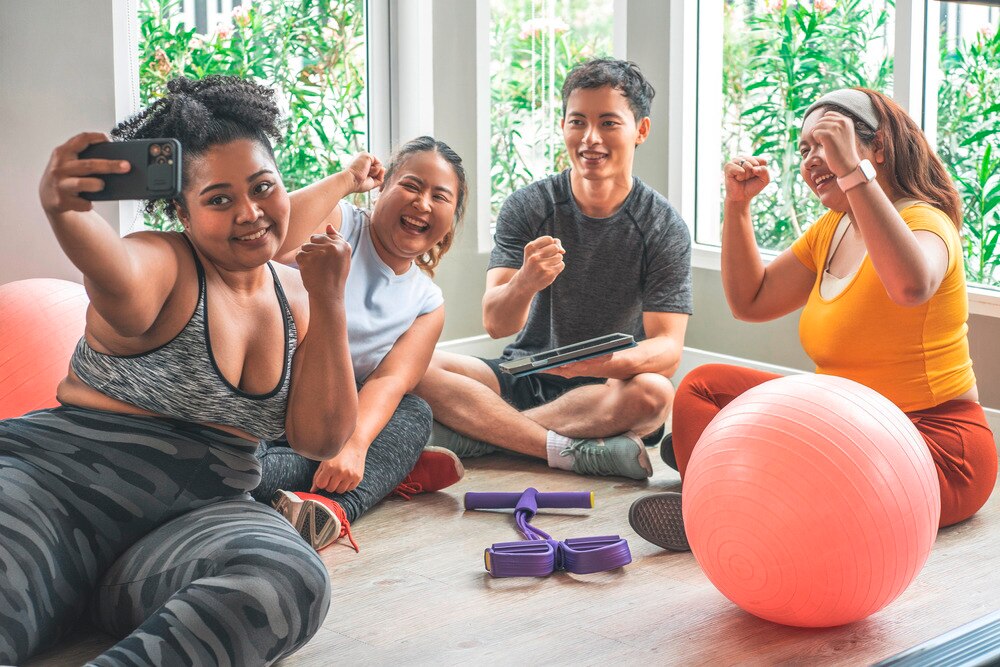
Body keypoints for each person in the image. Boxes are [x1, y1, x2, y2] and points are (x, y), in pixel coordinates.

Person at [0, 75, 360, 665]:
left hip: (191, 525)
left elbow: (320, 439)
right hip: (52, 491)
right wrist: (66, 212)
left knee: (289, 577)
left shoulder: (302, 294)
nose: (250, 213)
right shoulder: (164, 262)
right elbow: (117, 273)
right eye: (219, 199)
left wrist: (332, 301)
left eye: (263, 187)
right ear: (182, 212)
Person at [629, 87, 998, 551]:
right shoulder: (834, 227)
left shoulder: (925, 221)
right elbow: (752, 301)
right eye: (804, 149)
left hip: (932, 447)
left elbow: (910, 287)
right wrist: (737, 206)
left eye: (826, 141)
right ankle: (729, 489)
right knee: (704, 387)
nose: (811, 159)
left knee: (825, 482)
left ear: (877, 147)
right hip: (843, 426)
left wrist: (850, 173)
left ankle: (721, 501)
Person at [415, 58, 693, 480]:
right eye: (578, 122)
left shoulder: (662, 225)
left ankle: (483, 438)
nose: (590, 138)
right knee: (415, 364)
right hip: (523, 374)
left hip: (609, 387)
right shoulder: (529, 206)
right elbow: (495, 322)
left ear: (641, 130)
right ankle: (569, 448)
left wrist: (593, 365)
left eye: (609, 123)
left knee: (655, 392)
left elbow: (668, 350)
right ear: (563, 125)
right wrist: (526, 280)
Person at [252, 136, 469, 551]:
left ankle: (333, 510)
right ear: (382, 189)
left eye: (439, 197)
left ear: (450, 221)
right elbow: (273, 237)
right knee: (242, 471)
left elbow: (389, 381)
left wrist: (353, 446)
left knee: (414, 413)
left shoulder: (427, 302)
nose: (423, 203)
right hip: (268, 404)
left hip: (333, 418)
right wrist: (346, 179)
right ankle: (390, 470)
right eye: (411, 186)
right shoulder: (341, 222)